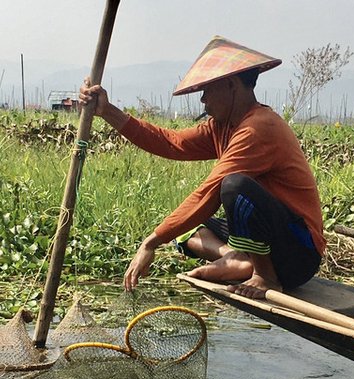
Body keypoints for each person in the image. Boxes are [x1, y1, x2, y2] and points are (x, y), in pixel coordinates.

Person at [80, 36, 326, 299]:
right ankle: (237, 259)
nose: (203, 100)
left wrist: (150, 242)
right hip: (269, 242)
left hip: (297, 254)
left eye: (207, 91)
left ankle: (264, 276)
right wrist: (107, 111)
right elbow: (169, 142)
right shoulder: (221, 126)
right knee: (186, 226)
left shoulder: (259, 127)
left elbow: (210, 192)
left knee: (233, 186)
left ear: (231, 85)